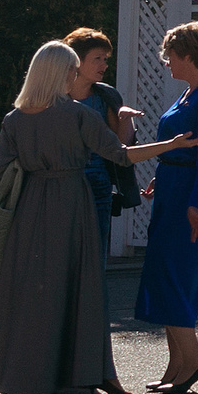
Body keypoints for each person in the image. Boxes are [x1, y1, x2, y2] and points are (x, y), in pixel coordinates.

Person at [0, 41, 198, 394]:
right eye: (71, 69)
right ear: (57, 73)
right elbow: (121, 155)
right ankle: (98, 375)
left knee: (32, 292)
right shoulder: (78, 114)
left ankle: (37, 377)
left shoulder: (14, 119)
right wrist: (171, 145)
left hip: (30, 210)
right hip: (71, 203)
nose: (75, 75)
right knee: (85, 289)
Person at [138, 20, 198, 394]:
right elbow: (181, 147)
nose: (166, 62)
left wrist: (195, 204)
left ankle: (193, 362)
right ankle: (176, 365)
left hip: (189, 197)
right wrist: (162, 178)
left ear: (190, 56)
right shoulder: (191, 93)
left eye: (171, 55)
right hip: (171, 189)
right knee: (164, 273)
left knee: (176, 274)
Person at [61, 27, 144, 261]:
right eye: (97, 58)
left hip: (98, 185)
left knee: (94, 258)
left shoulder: (106, 96)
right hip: (60, 184)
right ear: (75, 60)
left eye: (105, 59)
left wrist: (125, 118)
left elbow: (120, 147)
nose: (104, 65)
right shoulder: (53, 96)